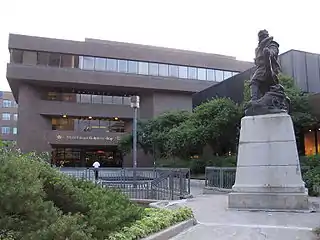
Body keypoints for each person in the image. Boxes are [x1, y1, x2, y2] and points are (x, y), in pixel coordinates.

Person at [250, 29, 281, 102]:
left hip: (270, 67)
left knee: (254, 81)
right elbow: (257, 60)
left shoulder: (271, 43)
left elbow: (274, 51)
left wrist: (269, 52)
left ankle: (254, 100)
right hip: (260, 68)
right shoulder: (258, 49)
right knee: (262, 87)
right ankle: (258, 100)